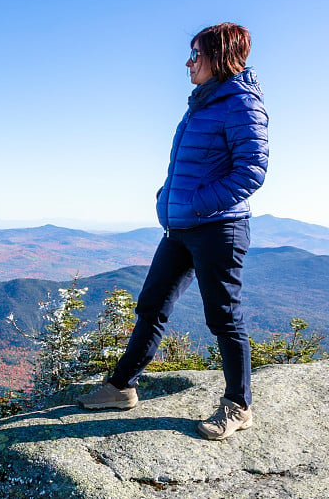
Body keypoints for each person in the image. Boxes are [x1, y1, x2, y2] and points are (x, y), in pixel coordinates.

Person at [77, 22, 269, 441]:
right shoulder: (202, 103)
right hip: (182, 227)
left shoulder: (241, 103)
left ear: (221, 56)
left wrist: (196, 203)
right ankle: (122, 387)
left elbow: (252, 172)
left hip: (220, 228)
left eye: (196, 54)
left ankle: (238, 405)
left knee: (224, 317)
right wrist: (168, 197)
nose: (188, 62)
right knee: (152, 304)